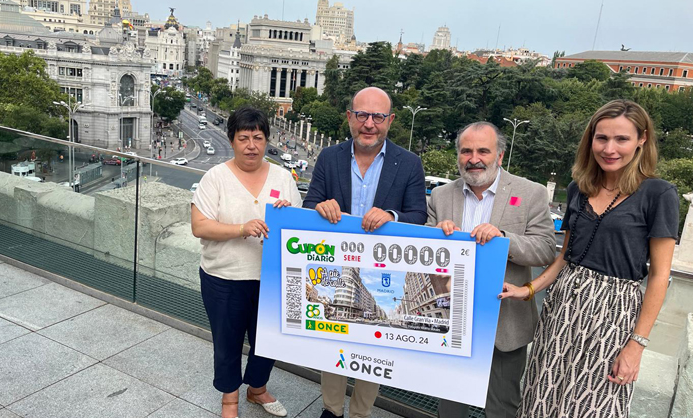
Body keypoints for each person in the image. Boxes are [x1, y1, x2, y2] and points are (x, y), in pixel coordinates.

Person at [500, 100, 679, 417]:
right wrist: (528, 289)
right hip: (562, 309)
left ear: (642, 139)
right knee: (541, 395)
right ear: (590, 140)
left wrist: (636, 345)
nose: (610, 148)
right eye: (602, 138)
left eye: (621, 139)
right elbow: (566, 257)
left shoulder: (658, 193)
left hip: (612, 314)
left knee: (596, 405)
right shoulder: (578, 189)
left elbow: (660, 276)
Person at [303, 86, 427, 418]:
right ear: (349, 117)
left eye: (378, 116)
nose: (369, 124)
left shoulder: (410, 163)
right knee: (334, 338)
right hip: (336, 271)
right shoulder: (330, 157)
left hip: (382, 276)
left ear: (390, 120)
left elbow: (419, 216)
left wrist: (392, 217)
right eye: (361, 115)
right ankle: (332, 409)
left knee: (374, 346)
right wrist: (320, 206)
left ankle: (359, 413)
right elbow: (308, 203)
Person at [426, 122, 556, 418]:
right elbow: (423, 252)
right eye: (466, 151)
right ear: (457, 155)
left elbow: (547, 249)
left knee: (501, 407)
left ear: (499, 155)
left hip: (504, 322)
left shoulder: (530, 193)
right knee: (450, 406)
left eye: (483, 150)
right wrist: (435, 236)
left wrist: (503, 239)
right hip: (452, 319)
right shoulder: (441, 195)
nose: (474, 158)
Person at [192, 107, 301, 418]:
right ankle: (229, 400)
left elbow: (299, 231)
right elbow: (199, 226)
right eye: (244, 138)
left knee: (268, 341)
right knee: (227, 343)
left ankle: (256, 388)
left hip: (270, 279)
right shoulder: (216, 178)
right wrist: (241, 229)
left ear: (267, 141)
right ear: (232, 140)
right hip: (223, 277)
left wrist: (287, 214)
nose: (251, 145)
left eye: (258, 137)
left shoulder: (283, 177)